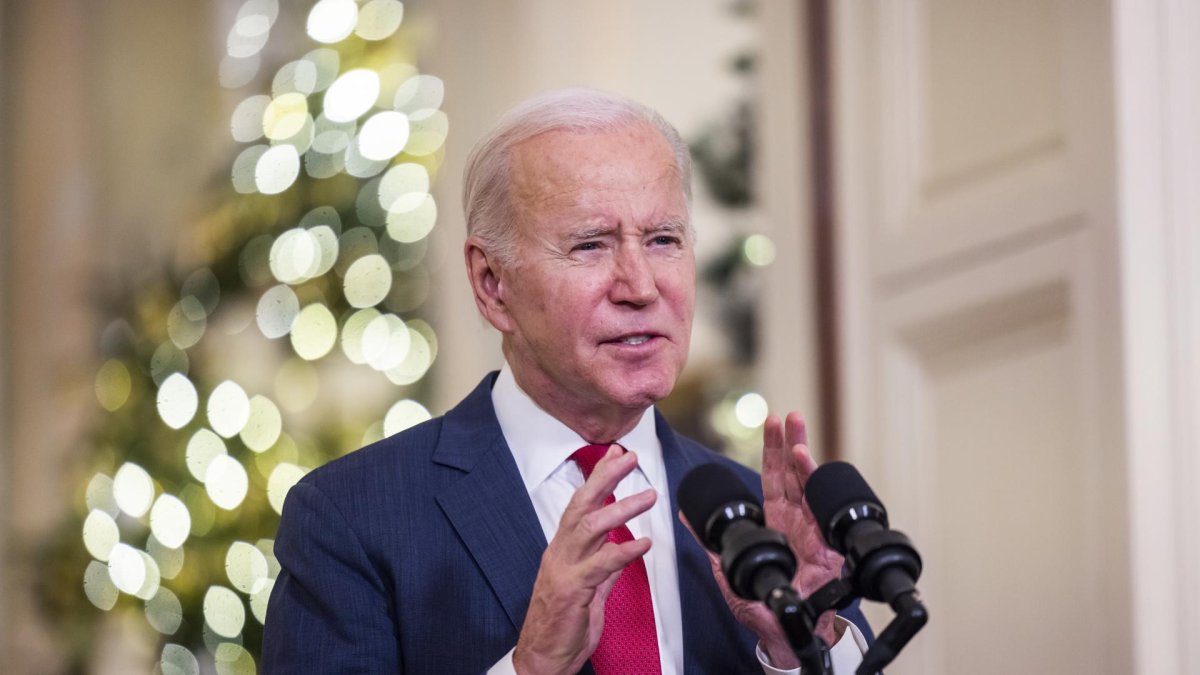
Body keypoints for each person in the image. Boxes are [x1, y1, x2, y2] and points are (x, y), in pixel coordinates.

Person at [262, 88, 870, 674]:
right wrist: (530, 669)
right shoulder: (353, 517)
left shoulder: (760, 524)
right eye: (590, 245)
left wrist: (798, 650)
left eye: (663, 240)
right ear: (492, 284)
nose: (640, 286)